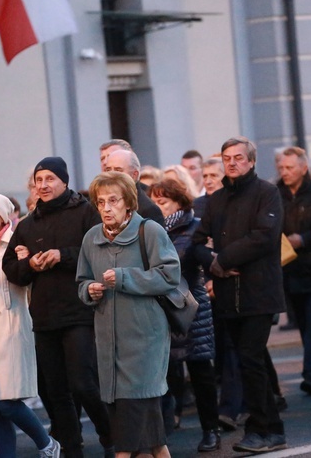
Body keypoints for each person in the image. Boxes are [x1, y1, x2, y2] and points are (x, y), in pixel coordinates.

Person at [2, 157, 113, 457]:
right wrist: (31, 263)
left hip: (79, 310)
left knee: (83, 383)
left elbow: (99, 252)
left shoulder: (85, 212)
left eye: (50, 178)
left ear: (64, 181)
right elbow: (10, 266)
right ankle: (72, 447)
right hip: (44, 315)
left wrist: (60, 255)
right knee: (55, 391)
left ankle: (110, 437)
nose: (43, 185)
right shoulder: (28, 223)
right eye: (39, 180)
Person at [192, 136, 287, 453]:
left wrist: (223, 258)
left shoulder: (267, 192)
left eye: (238, 157)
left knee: (250, 359)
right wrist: (214, 264)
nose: (231, 162)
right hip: (226, 291)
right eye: (226, 158)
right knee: (252, 361)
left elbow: (264, 237)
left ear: (251, 161)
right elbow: (195, 243)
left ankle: (259, 429)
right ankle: (273, 429)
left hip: (258, 290)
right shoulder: (215, 199)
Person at [77, 171, 180, 458]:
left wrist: (124, 277)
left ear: (128, 203)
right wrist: (90, 291)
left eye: (113, 201)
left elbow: (169, 275)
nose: (106, 208)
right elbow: (82, 281)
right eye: (101, 202)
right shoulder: (91, 238)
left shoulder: (150, 231)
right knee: (151, 438)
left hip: (145, 340)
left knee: (128, 429)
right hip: (108, 343)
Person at [0, 193, 60, 458]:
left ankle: (47, 444)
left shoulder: (19, 242)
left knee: (7, 401)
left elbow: (30, 283)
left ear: (3, 215)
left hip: (14, 325)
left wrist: (25, 260)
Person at [149, 178, 220, 452]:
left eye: (163, 201)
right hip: (161, 308)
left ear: (179, 201)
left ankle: (210, 430)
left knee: (200, 370)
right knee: (166, 372)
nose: (158, 207)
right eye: (154, 201)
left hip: (191, 305)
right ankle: (163, 431)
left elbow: (202, 260)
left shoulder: (195, 226)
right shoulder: (151, 230)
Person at [276, 147, 311, 399]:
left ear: (303, 168)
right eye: (281, 168)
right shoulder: (275, 193)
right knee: (302, 322)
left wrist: (304, 238)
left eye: (289, 168)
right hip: (286, 269)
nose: (284, 172)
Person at [103, 148, 165, 225]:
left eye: (118, 170)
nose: (111, 175)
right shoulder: (101, 206)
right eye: (108, 170)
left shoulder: (148, 209)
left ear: (134, 175)